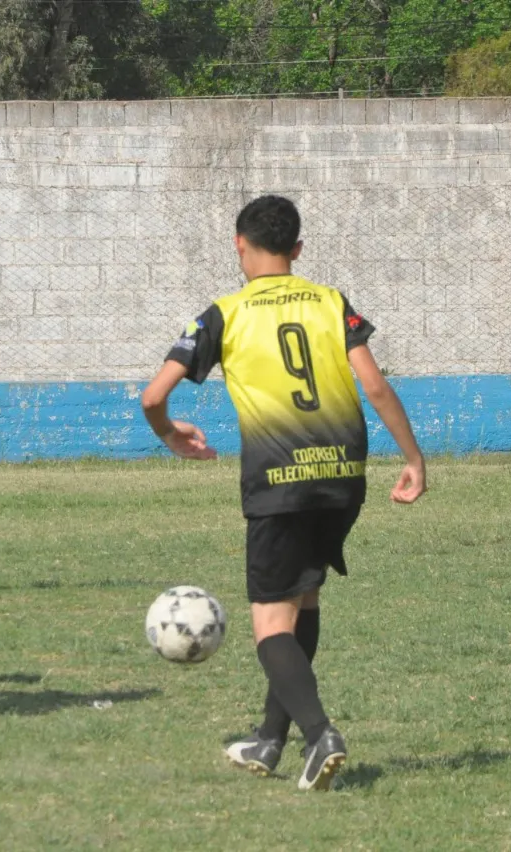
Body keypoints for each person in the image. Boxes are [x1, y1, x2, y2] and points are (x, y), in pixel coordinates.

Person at [140, 195, 426, 790]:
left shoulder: (223, 312)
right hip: (344, 475)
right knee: (305, 599)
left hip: (278, 480)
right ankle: (269, 741)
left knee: (272, 624)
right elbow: (372, 383)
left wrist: (170, 433)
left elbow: (152, 395)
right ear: (297, 250)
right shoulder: (330, 301)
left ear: (239, 245)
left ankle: (321, 735)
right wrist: (413, 457)